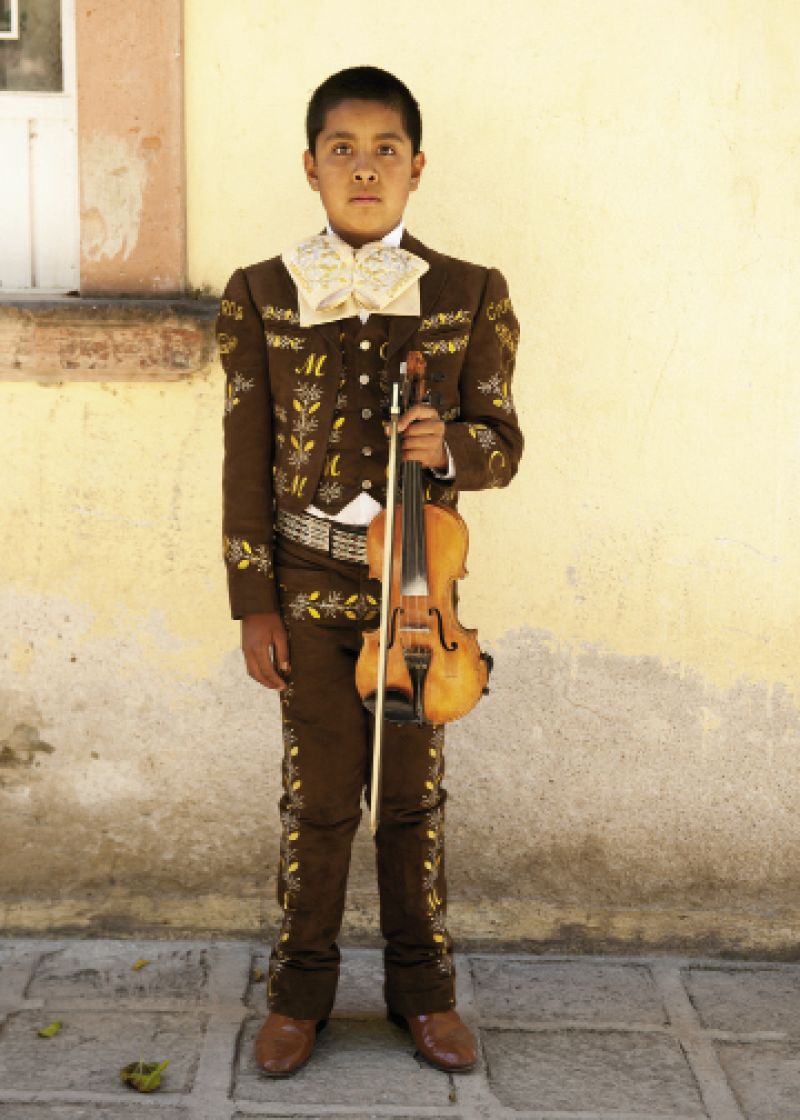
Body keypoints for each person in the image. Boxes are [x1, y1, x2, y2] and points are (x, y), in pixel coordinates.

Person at [216, 65, 523, 1078]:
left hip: (419, 605)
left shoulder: (470, 291)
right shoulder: (258, 294)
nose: (362, 167)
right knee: (317, 798)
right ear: (310, 168)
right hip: (306, 590)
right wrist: (252, 602)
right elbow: (245, 456)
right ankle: (299, 992)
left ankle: (420, 990)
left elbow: (502, 444)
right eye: (340, 149)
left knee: (410, 802)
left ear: (416, 167)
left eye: (384, 149)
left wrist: (451, 448)